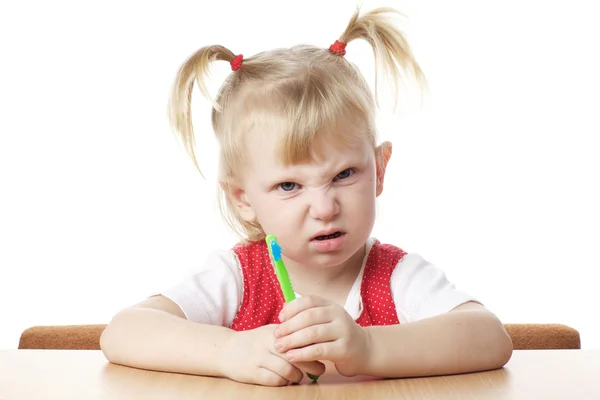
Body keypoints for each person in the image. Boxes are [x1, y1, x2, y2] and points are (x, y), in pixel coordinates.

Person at [100, 6, 513, 387]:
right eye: (289, 186)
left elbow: (490, 337)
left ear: (380, 170)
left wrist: (368, 347)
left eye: (345, 174)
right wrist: (229, 351)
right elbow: (123, 332)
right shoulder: (238, 278)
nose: (324, 207)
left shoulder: (396, 278)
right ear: (243, 199)